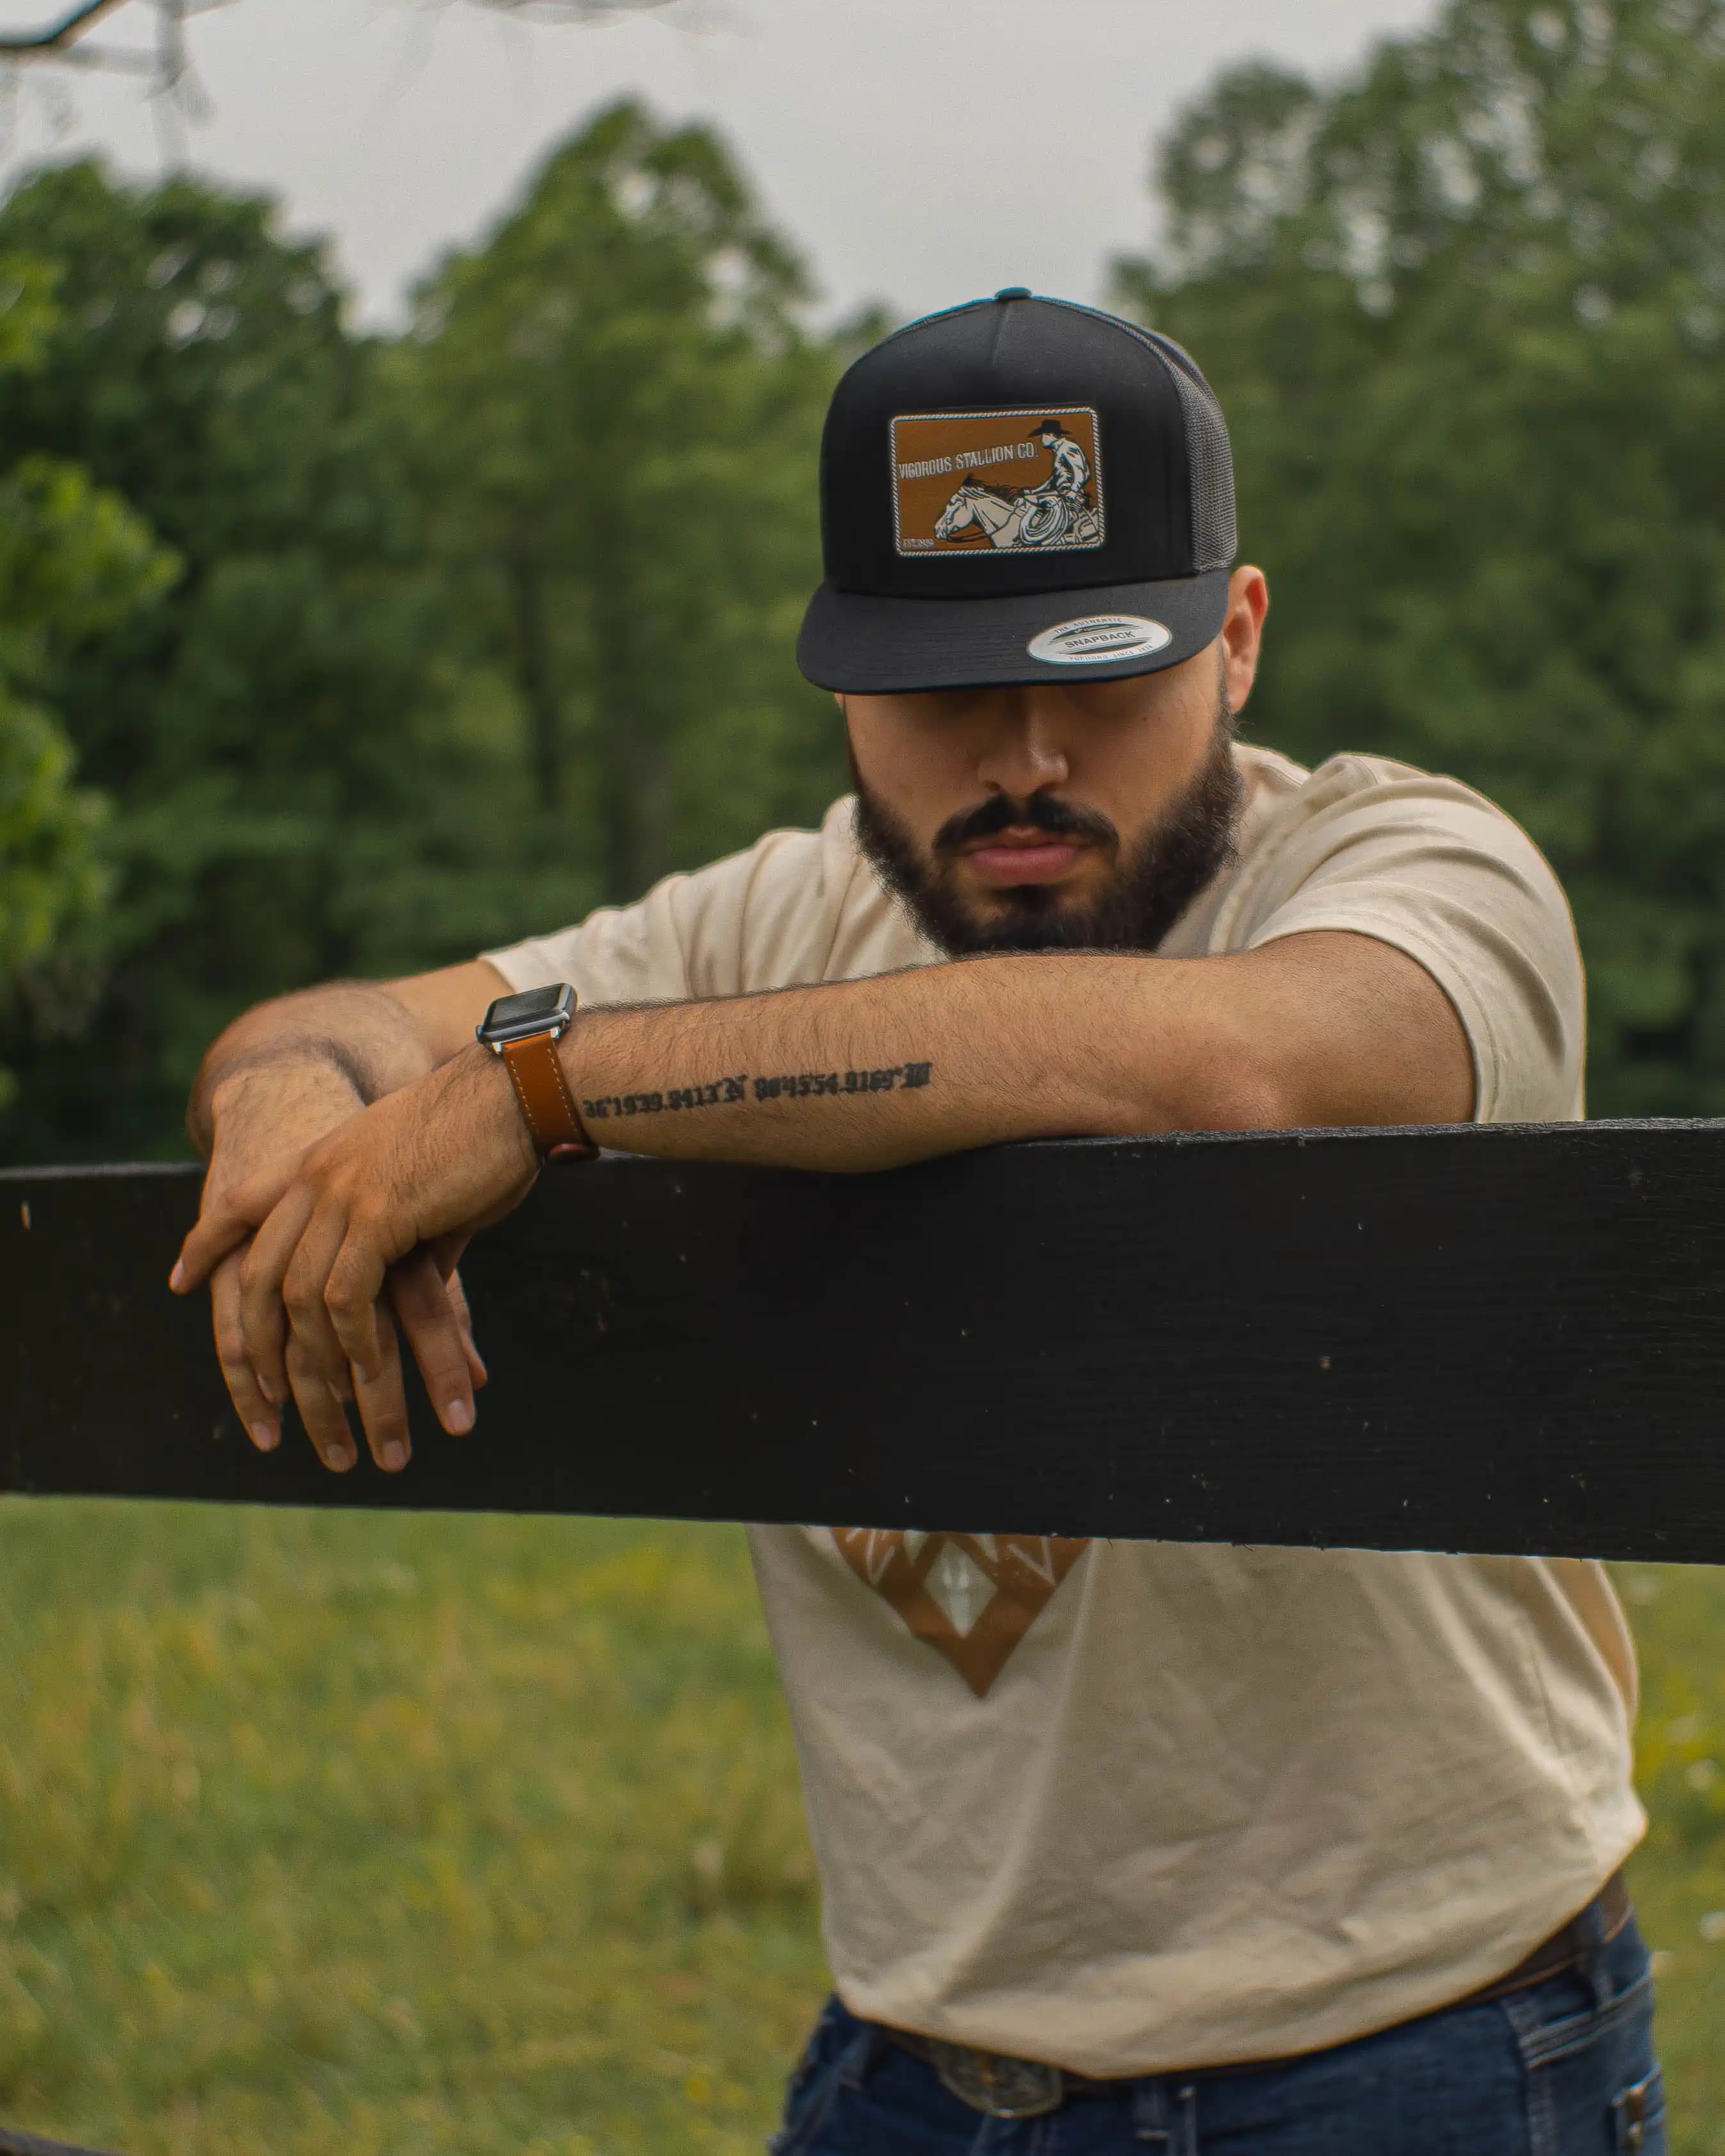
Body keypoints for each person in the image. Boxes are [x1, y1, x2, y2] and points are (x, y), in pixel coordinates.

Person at [172, 291, 1662, 2154]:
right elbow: (322, 1029)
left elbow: (1252, 1068)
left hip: (1406, 2041)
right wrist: (298, 1103)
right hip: (917, 2061)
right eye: (944, 684)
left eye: (1103, 668)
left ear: (1242, 641)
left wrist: (542, 1089)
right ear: (844, 683)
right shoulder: (762, 929)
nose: (1025, 755)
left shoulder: (1408, 864)